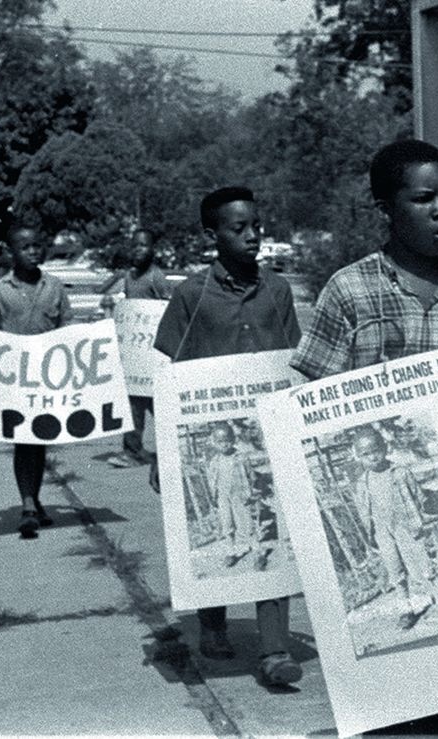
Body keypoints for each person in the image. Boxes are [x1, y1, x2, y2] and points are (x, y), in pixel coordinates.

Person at [291, 139, 438, 736]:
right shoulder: (349, 291)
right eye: (423, 199)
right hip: (380, 492)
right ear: (385, 209)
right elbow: (309, 402)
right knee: (392, 691)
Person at [153, 186, 303, 686]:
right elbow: (169, 373)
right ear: (211, 235)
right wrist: (160, 449)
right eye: (239, 228)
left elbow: (292, 361)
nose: (252, 236)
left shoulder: (277, 290)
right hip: (213, 437)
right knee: (220, 527)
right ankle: (213, 623)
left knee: (271, 528)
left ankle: (274, 649)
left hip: (268, 434)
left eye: (256, 226)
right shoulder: (191, 295)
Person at [0, 221, 71, 539]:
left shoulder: (55, 286)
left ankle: (34, 500)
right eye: (25, 247)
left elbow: (67, 326)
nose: (33, 252)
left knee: (39, 440)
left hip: (48, 378)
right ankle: (28, 506)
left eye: (37, 246)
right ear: (11, 252)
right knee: (24, 441)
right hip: (17, 379)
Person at [351, 427, 438, 630]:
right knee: (395, 572)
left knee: (423, 567)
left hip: (406, 527)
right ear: (359, 457)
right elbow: (363, 511)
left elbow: (419, 498)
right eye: (366, 454)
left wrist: (422, 522)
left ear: (384, 448)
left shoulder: (400, 473)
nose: (373, 457)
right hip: (383, 533)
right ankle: (406, 609)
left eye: (376, 451)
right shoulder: (362, 483)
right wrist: (373, 536)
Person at [102, 229, 171, 469]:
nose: (138, 250)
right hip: (134, 357)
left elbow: (167, 309)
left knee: (159, 405)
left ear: (152, 249)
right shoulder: (130, 277)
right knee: (132, 405)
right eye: (135, 246)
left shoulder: (156, 277)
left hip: (153, 356)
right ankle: (132, 451)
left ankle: (173, 448)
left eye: (143, 245)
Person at [205, 423, 264, 569]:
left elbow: (251, 476)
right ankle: (230, 552)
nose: (224, 445)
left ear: (233, 440)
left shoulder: (241, 458)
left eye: (227, 441)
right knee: (227, 526)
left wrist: (252, 493)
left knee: (247, 525)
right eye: (220, 442)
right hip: (223, 497)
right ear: (215, 443)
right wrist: (214, 497)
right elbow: (212, 481)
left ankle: (258, 553)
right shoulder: (215, 461)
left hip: (240, 496)